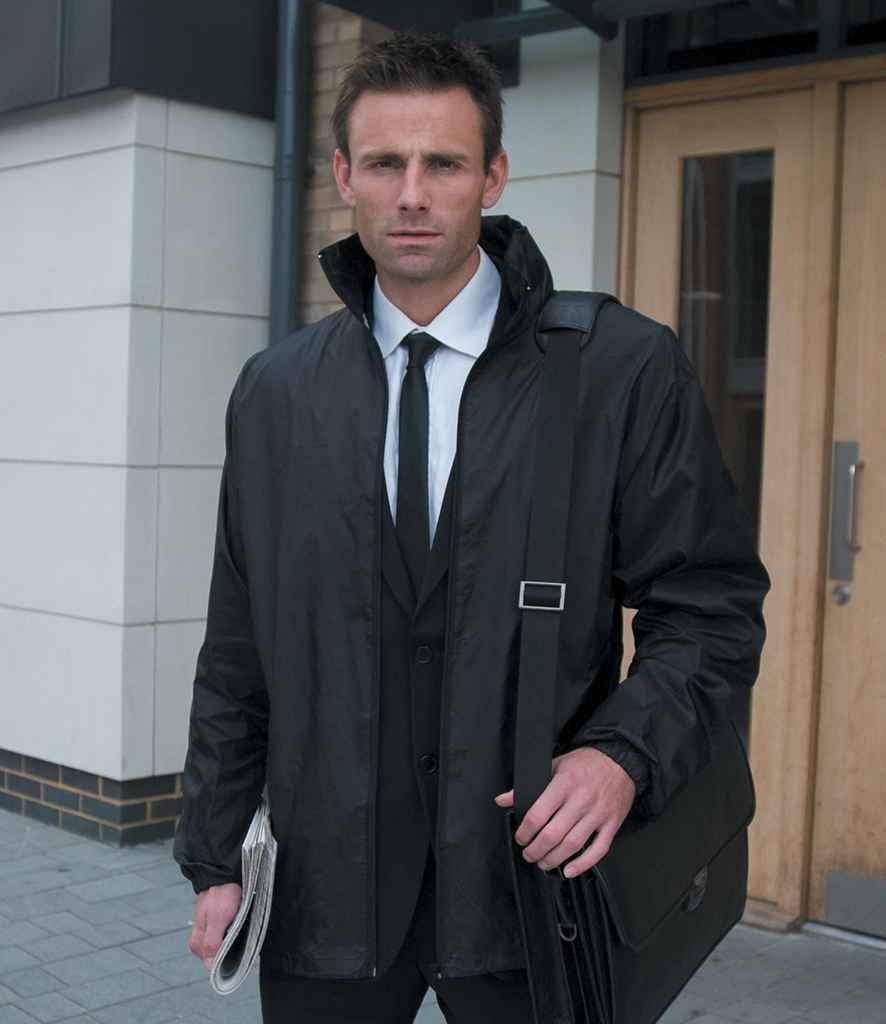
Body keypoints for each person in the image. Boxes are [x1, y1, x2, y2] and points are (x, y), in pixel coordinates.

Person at [173, 31, 770, 1024]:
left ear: (492, 176)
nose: (412, 194)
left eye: (443, 164)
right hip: (326, 893)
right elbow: (237, 648)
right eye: (384, 164)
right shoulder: (273, 393)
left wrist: (621, 754)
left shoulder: (619, 369)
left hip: (530, 895)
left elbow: (711, 611)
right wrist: (214, 854)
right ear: (343, 177)